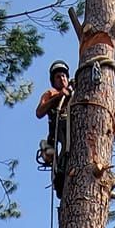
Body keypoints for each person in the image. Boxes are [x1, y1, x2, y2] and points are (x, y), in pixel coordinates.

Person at [36, 61, 72, 197]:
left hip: (73, 124)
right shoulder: (50, 93)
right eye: (58, 76)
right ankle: (60, 174)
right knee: (64, 149)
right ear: (53, 80)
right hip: (59, 128)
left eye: (64, 76)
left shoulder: (75, 91)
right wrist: (58, 97)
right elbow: (39, 112)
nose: (62, 78)